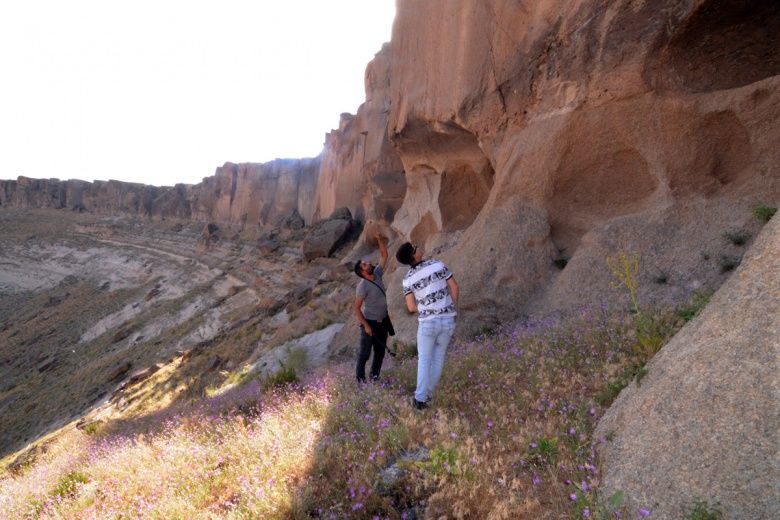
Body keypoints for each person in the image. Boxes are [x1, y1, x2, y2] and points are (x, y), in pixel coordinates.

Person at [395, 241, 459, 410]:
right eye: (415, 248)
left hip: (427, 324)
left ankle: (420, 398)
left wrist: (424, 307)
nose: (418, 247)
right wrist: (451, 307)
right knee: (438, 359)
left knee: (424, 360)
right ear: (413, 255)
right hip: (447, 319)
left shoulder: (407, 279)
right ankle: (426, 395)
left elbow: (410, 307)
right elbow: (454, 287)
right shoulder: (438, 265)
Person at [353, 231, 390, 383]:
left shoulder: (377, 273)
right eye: (364, 264)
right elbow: (356, 308)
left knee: (380, 353)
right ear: (362, 272)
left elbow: (384, 255)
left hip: (383, 322)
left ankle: (375, 379)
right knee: (365, 354)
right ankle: (360, 382)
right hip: (370, 323)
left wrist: (379, 238)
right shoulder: (362, 287)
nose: (368, 263)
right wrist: (366, 326)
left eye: (366, 262)